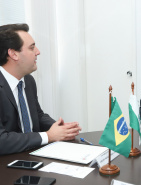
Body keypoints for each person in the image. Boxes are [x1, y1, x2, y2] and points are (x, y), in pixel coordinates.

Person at [0, 23, 82, 155]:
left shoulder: (28, 80)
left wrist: (60, 129)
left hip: (32, 154)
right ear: (13, 54)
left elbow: (37, 115)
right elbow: (2, 141)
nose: (38, 51)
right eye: (32, 48)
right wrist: (49, 136)